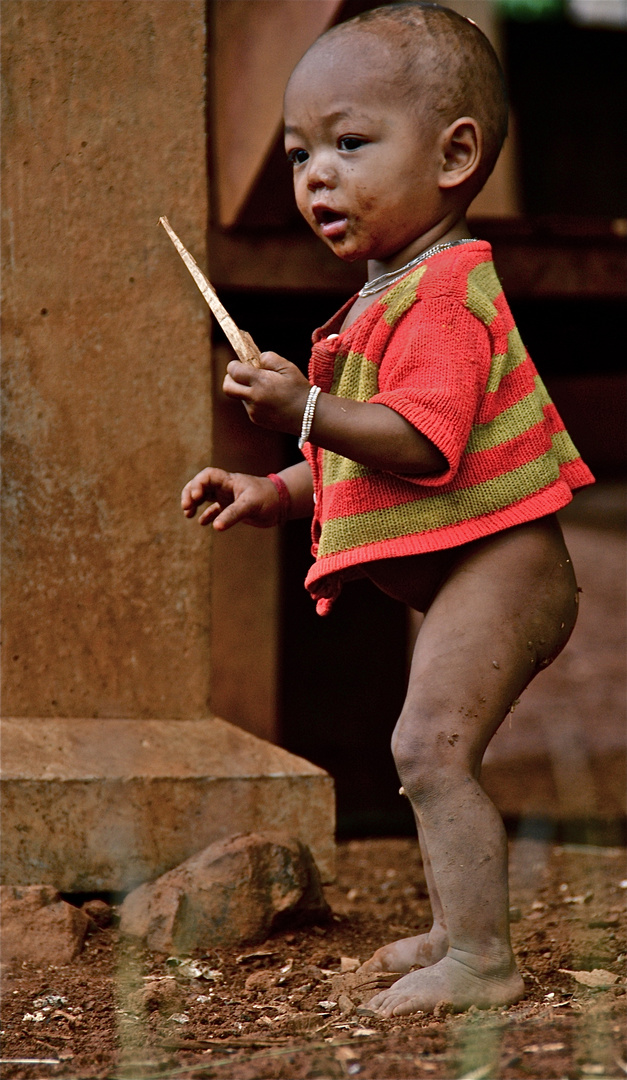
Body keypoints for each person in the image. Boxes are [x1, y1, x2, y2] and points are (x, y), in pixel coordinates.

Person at [181, 2, 594, 1015]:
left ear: (454, 157)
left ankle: (484, 962)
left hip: (508, 564)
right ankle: (459, 929)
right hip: (472, 562)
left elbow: (421, 440)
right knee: (428, 747)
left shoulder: (444, 295)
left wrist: (307, 409)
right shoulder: (387, 294)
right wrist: (273, 489)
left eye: (350, 143)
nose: (316, 174)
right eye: (298, 153)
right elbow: (371, 468)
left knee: (427, 746)